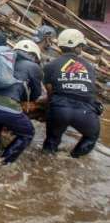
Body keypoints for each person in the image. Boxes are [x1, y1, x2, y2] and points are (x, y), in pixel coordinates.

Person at [0, 33, 43, 164]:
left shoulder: (5, 60)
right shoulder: (34, 67)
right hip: (6, 107)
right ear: (34, 56)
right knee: (27, 133)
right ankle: (2, 164)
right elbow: (36, 95)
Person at [42, 29, 100, 158]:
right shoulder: (89, 66)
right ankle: (72, 157)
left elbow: (49, 90)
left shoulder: (51, 65)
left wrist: (51, 108)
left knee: (51, 142)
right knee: (91, 137)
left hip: (60, 109)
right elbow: (91, 90)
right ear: (78, 47)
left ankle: (46, 163)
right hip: (85, 112)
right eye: (81, 46)